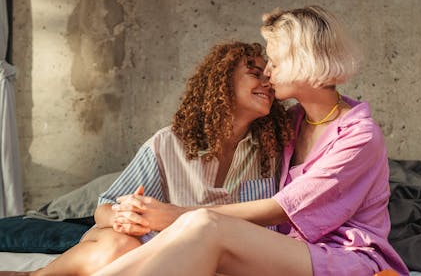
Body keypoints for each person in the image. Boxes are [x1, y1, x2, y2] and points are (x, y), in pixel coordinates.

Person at [91, 6, 410, 276]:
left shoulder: (359, 135)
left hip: (345, 260)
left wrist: (176, 214)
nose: (268, 73)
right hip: (295, 251)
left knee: (205, 224)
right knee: (195, 231)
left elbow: (283, 209)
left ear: (304, 60)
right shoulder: (294, 122)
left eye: (275, 61)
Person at [1, 41, 292, 276]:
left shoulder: (277, 149)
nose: (267, 82)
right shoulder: (170, 142)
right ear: (222, 83)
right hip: (163, 251)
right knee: (118, 245)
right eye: (255, 73)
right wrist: (125, 217)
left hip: (234, 261)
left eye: (268, 76)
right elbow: (105, 207)